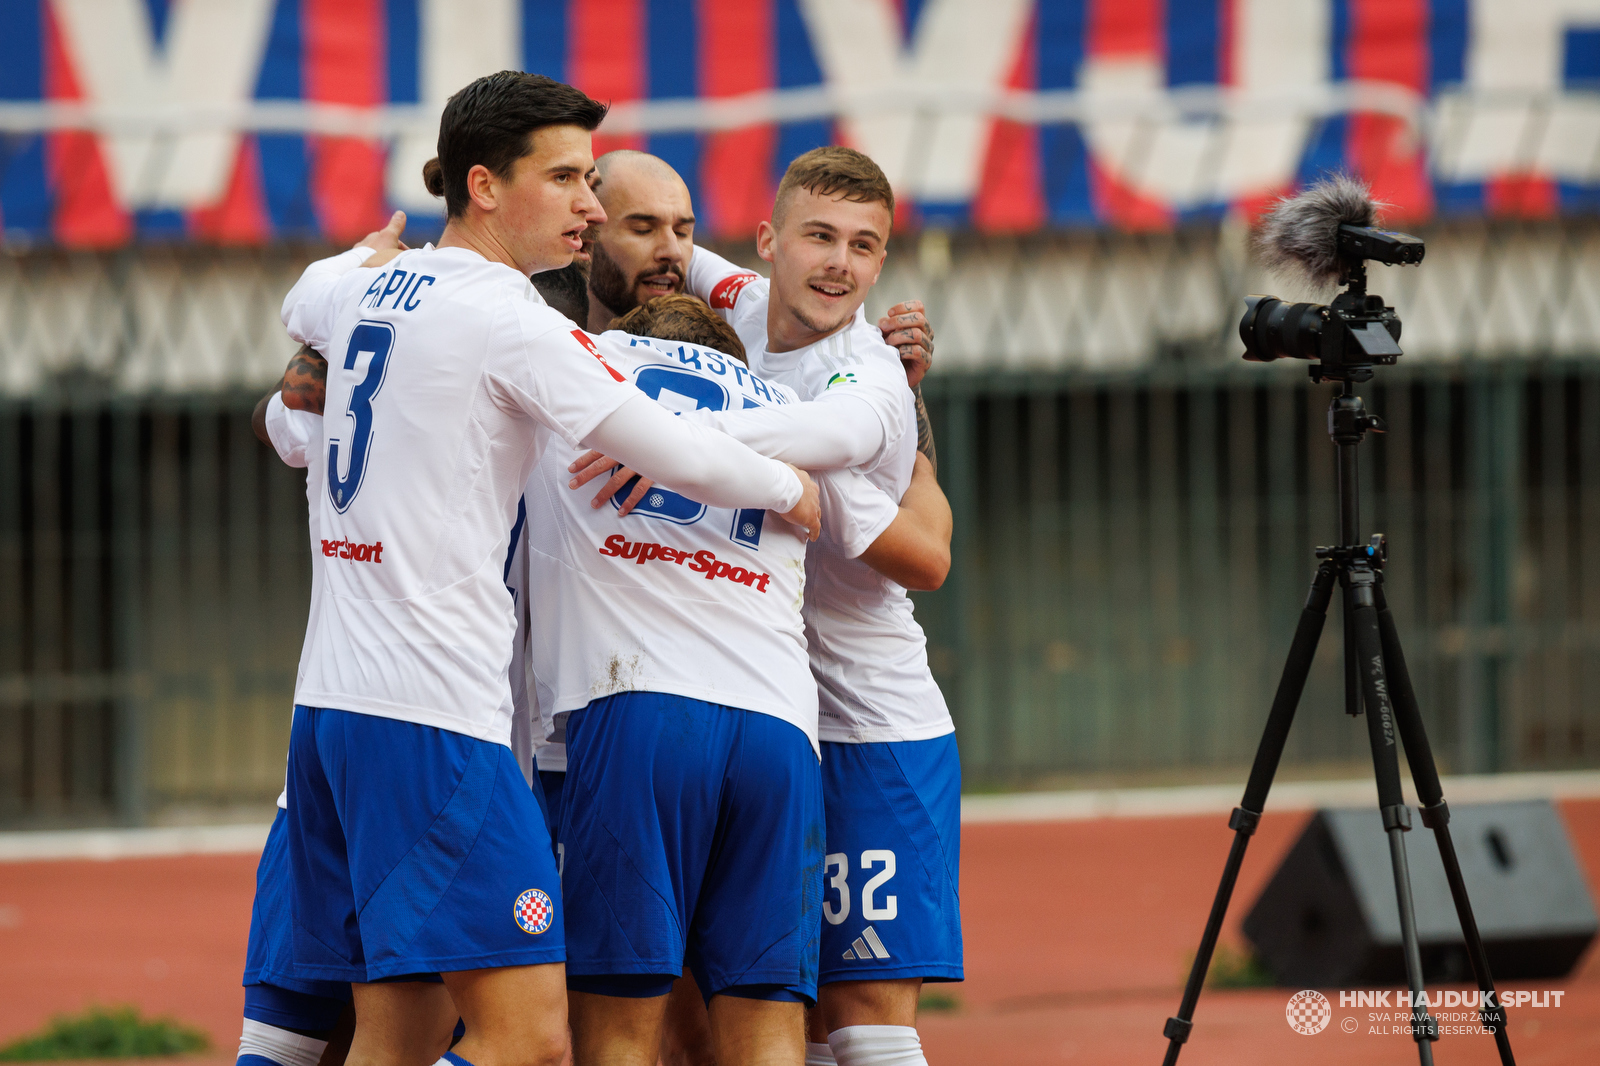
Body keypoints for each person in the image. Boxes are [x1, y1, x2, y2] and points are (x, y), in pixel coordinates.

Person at [276, 69, 818, 1066]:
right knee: (527, 1042)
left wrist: (360, 256)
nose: (590, 203)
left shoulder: (352, 285)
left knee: (390, 1032)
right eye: (567, 178)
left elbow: (300, 299)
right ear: (484, 185)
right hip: (434, 713)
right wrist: (790, 491)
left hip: (328, 712)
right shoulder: (516, 319)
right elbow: (677, 449)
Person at [679, 146, 960, 1066]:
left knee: (865, 1017)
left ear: (882, 265)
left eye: (865, 246)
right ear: (769, 240)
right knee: (767, 1010)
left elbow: (907, 530)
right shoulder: (742, 311)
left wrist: (638, 427)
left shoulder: (871, 378)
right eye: (820, 236)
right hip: (769, 723)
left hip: (870, 727)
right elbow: (671, 248)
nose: (841, 262)